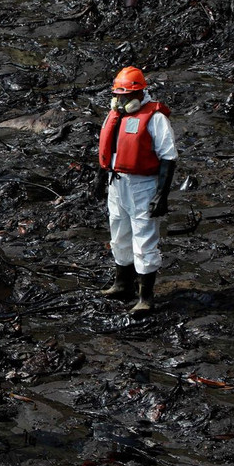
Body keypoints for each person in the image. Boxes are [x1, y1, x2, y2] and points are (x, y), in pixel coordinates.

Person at [94, 65, 178, 315]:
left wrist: (161, 195)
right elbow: (107, 153)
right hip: (117, 183)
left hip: (143, 186)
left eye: (126, 96)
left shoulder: (155, 118)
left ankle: (146, 297)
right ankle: (122, 285)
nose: (121, 100)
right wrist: (100, 181)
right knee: (119, 234)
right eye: (118, 95)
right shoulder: (114, 116)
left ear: (140, 93)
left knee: (144, 240)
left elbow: (169, 158)